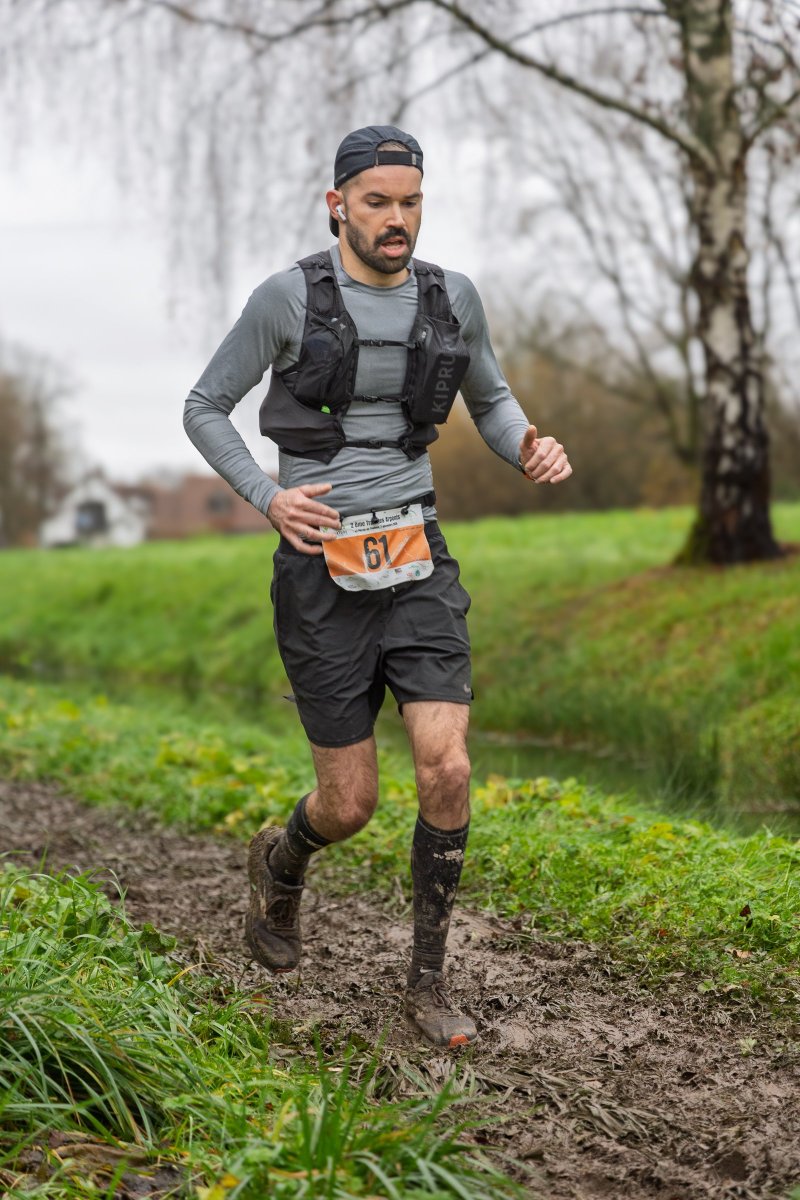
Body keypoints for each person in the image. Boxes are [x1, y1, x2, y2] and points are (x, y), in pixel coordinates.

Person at [183, 124, 572, 1048]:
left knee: (448, 766)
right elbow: (204, 407)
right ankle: (282, 859)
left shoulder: (451, 297)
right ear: (338, 205)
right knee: (349, 805)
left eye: (411, 202)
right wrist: (268, 497)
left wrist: (525, 443)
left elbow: (490, 399)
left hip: (417, 554)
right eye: (377, 202)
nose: (397, 219)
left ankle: (427, 985)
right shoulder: (286, 299)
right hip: (320, 568)